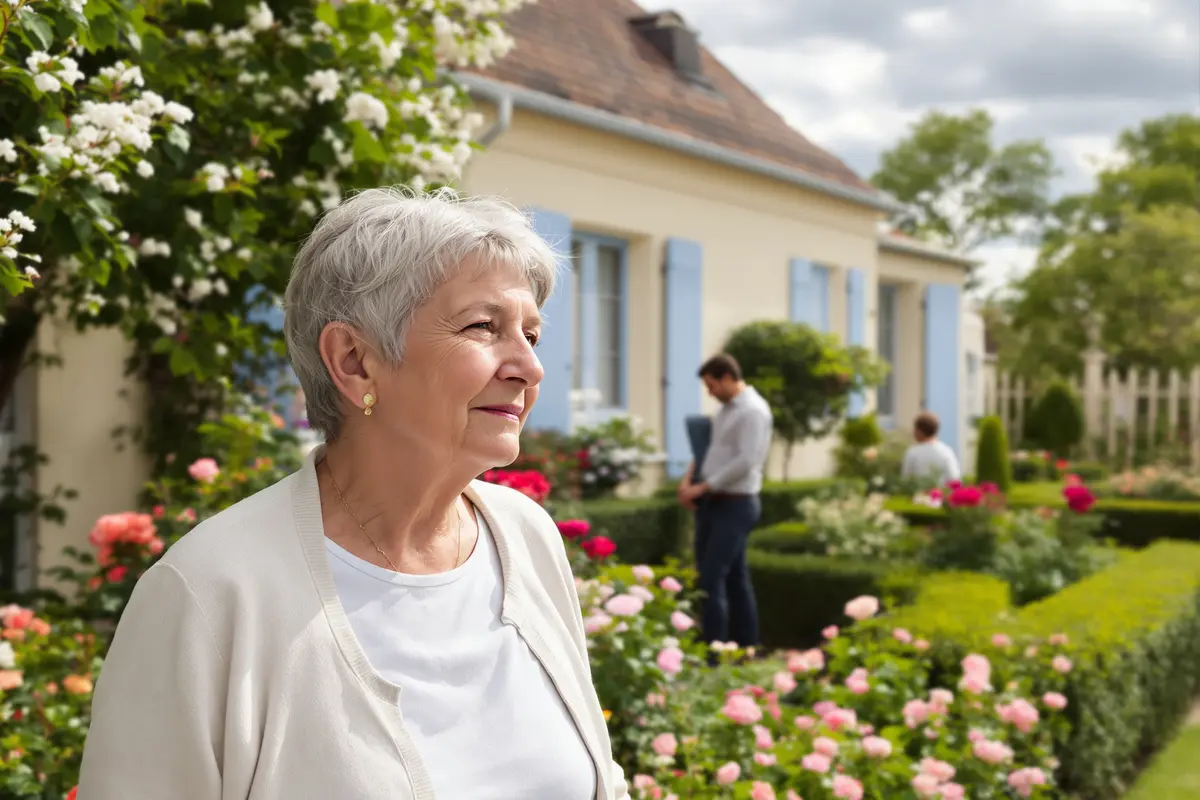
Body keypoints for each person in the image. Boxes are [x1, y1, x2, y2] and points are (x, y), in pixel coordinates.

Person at [77, 188, 630, 800]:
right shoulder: (211, 592)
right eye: (484, 327)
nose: (528, 366)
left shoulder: (525, 536)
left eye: (531, 334)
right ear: (354, 361)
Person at [677, 354, 773, 653]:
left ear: (728, 378)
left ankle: (713, 651)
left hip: (737, 505)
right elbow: (708, 451)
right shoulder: (725, 411)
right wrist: (688, 482)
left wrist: (703, 487)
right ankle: (747, 646)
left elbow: (748, 461)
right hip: (714, 503)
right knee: (734, 578)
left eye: (711, 385)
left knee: (711, 576)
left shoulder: (754, 411)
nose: (710, 392)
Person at [901, 411, 962, 485]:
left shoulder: (912, 453)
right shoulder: (946, 451)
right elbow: (954, 478)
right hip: (941, 494)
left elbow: (906, 480)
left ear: (919, 431)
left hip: (919, 495)